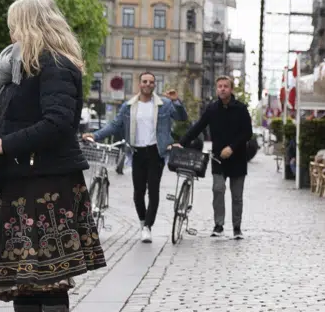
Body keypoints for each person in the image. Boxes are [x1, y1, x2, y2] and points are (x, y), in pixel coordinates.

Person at [0, 0, 106, 312]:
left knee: (49, 277)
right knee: (24, 277)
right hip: (23, 183)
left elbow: (57, 123)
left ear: (32, 24)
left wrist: (5, 144)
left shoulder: (55, 64)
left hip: (49, 184)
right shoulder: (22, 66)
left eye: (15, 23)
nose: (11, 31)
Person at [88, 71, 182, 242]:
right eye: (144, 81)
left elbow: (182, 117)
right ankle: (142, 221)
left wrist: (177, 101)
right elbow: (115, 126)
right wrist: (95, 136)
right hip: (137, 152)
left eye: (151, 82)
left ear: (154, 85)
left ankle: (147, 227)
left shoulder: (165, 104)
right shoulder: (129, 106)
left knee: (153, 191)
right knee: (138, 192)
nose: (147, 84)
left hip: (156, 152)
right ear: (140, 84)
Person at [175, 75, 254, 239]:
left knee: (237, 196)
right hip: (218, 159)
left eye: (226, 86)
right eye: (220, 86)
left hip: (238, 158)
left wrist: (232, 147)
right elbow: (197, 127)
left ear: (231, 89)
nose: (223, 89)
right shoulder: (212, 109)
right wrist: (181, 143)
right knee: (218, 190)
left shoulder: (241, 108)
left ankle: (237, 228)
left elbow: (247, 133)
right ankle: (218, 225)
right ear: (217, 89)